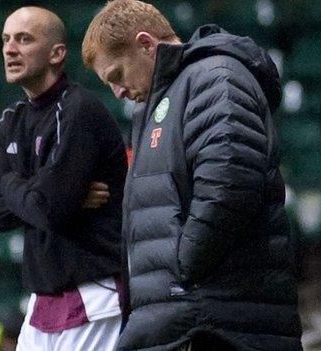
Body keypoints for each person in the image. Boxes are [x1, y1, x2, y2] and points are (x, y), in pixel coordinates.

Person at [82, 1, 303, 350]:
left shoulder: (214, 76)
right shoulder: (155, 105)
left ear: (145, 43)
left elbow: (230, 180)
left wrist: (182, 270)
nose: (118, 91)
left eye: (117, 75)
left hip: (216, 325)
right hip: (187, 319)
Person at [0, 6, 127, 351]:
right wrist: (48, 191)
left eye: (24, 39)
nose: (9, 49)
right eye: (5, 40)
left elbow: (48, 209)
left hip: (94, 295)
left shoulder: (79, 110)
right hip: (41, 300)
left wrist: (16, 184)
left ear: (57, 53)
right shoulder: (7, 123)